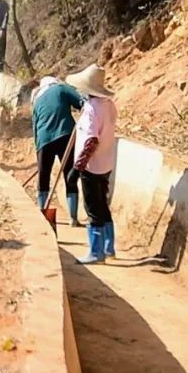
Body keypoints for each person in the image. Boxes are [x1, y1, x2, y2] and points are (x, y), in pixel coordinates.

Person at [65, 64, 118, 264]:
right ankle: (109, 247)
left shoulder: (92, 110)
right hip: (106, 162)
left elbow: (91, 141)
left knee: (92, 208)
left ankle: (96, 253)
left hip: (92, 165)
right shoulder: (109, 105)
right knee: (103, 205)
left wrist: (77, 168)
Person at [31, 75, 84, 226]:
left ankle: (43, 213)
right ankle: (73, 218)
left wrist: (38, 150)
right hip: (64, 135)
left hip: (43, 140)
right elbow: (82, 102)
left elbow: (34, 127)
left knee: (43, 177)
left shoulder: (37, 100)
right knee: (70, 176)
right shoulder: (61, 88)